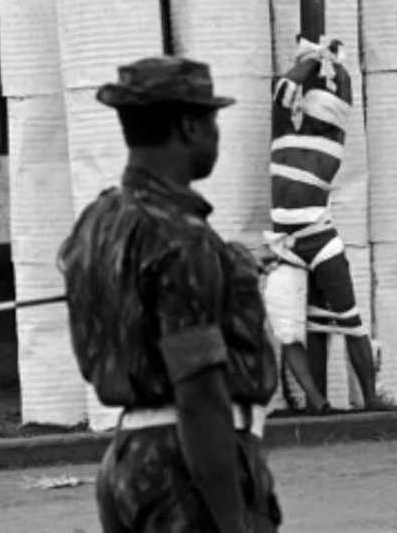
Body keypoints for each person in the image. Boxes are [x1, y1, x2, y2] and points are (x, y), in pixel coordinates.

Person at [58, 57, 281, 532]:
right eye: (212, 121)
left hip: (127, 462)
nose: (216, 135)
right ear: (188, 127)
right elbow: (200, 393)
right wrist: (231, 521)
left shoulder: (99, 223)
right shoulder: (182, 238)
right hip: (185, 467)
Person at [263, 35, 387, 413]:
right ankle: (317, 402)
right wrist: (317, 60)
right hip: (285, 241)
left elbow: (314, 88)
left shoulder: (332, 137)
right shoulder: (288, 130)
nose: (325, 116)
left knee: (349, 320)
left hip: (318, 238)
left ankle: (369, 398)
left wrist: (319, 60)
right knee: (287, 328)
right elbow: (284, 88)